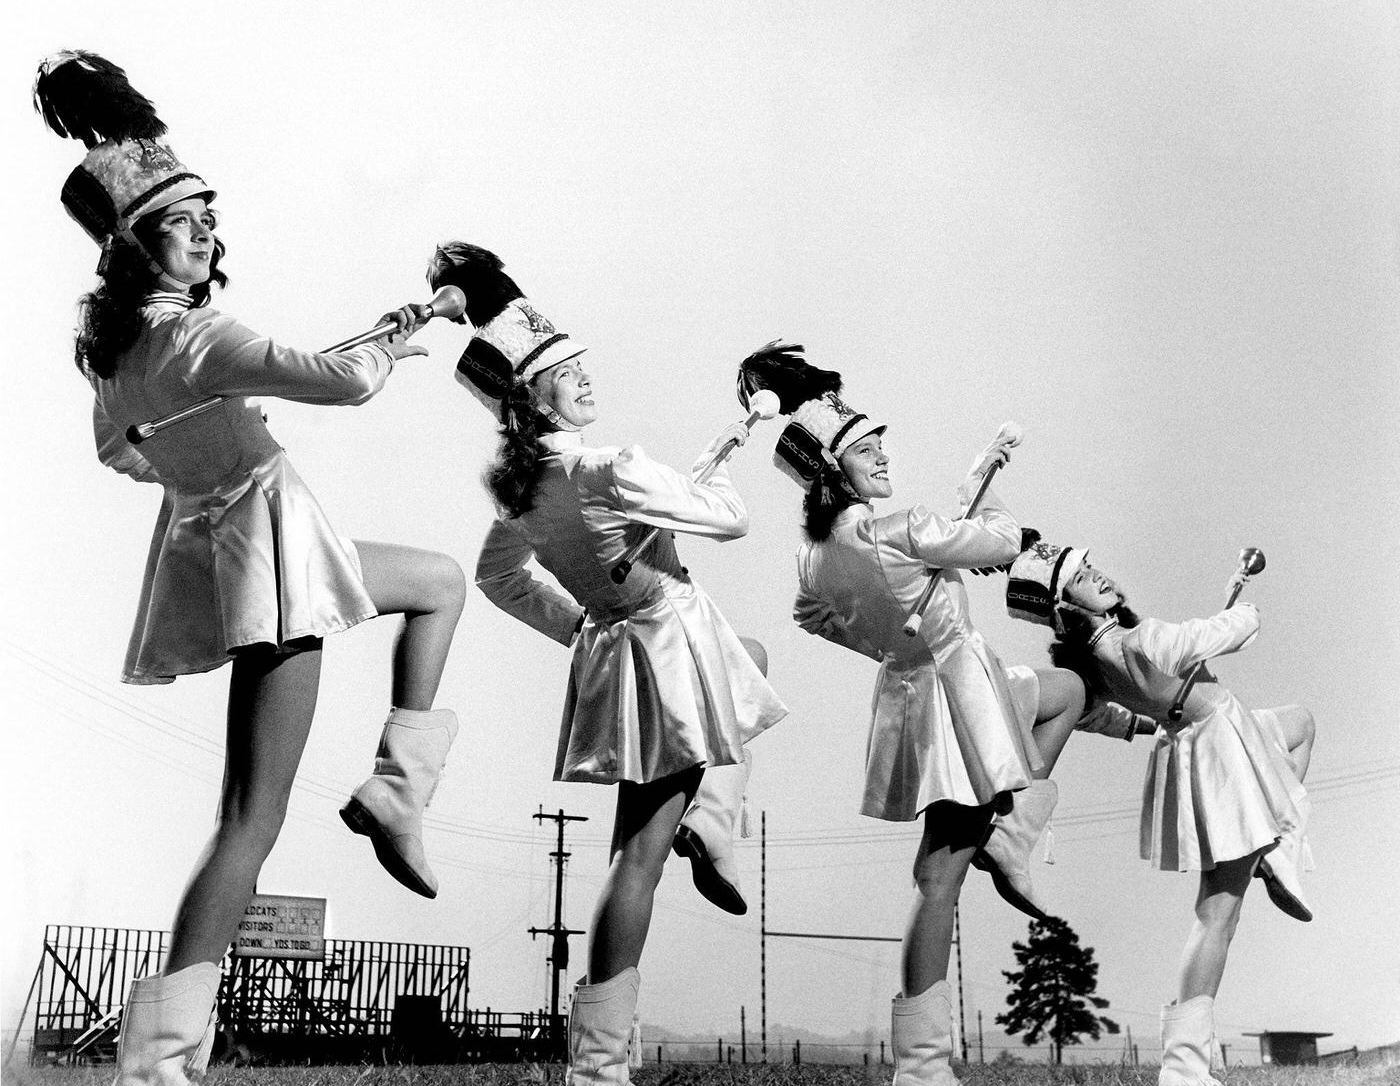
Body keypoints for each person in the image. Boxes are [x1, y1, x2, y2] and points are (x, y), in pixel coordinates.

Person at [37, 52, 467, 1086]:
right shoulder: (197, 332)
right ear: (139, 244)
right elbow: (339, 381)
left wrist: (202, 464)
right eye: (185, 226)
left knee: (437, 582)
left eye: (207, 220)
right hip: (274, 541)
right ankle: (158, 1061)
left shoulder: (119, 351)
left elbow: (118, 449)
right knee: (250, 820)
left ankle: (399, 793)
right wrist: (413, 329)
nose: (207, 236)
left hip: (235, 543)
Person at [439, 245, 786, 1083]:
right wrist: (693, 488)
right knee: (636, 859)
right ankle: (597, 1067)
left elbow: (500, 577)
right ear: (535, 393)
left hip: (623, 649)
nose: (585, 377)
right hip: (667, 644)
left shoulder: (522, 487)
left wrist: (585, 624)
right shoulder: (608, 466)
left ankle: (710, 822)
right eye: (567, 370)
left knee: (751, 665)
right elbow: (729, 522)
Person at [735, 344, 1081, 1086]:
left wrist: (886, 642)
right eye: (868, 449)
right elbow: (1002, 542)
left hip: (910, 692)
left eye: (881, 443)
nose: (883, 456)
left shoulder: (816, 556)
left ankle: (1012, 824)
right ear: (835, 469)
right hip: (961, 689)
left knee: (1064, 695)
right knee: (938, 876)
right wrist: (983, 496)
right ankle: (921, 1064)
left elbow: (812, 615)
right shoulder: (906, 528)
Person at [1006, 538, 1314, 1086]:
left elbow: (1128, 702)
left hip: (1215, 733)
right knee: (1218, 913)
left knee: (1300, 724)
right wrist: (1245, 612)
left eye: (1093, 566)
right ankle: (1184, 1070)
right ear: (1063, 607)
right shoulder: (1139, 638)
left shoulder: (1094, 663)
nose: (1098, 577)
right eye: (1080, 578)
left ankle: (1278, 846)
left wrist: (1225, 603)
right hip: (1221, 741)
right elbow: (1215, 637)